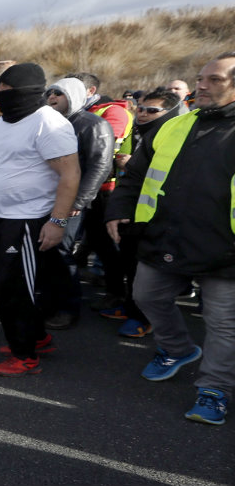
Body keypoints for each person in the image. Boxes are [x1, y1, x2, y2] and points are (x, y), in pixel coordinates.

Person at [105, 52, 235, 425]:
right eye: (200, 78)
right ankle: (177, 349)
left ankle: (214, 391)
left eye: (214, 80)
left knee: (223, 323)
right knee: (146, 296)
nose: (202, 85)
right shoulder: (176, 125)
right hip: (165, 236)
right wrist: (118, 210)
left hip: (226, 249)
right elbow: (135, 174)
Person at [0, 63, 79, 377]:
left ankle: (25, 355)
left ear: (28, 93)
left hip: (27, 219)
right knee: (1, 286)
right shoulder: (1, 124)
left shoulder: (49, 122)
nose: (0, 98)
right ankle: (37, 338)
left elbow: (70, 175)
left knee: (18, 288)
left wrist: (57, 223)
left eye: (7, 93)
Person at [105, 87, 181, 338]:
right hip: (135, 214)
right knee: (129, 265)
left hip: (160, 220)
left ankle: (143, 318)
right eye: (141, 109)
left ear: (170, 112)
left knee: (147, 275)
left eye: (152, 110)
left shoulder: (176, 136)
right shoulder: (142, 133)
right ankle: (130, 307)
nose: (144, 114)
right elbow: (133, 178)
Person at [42, 77, 114, 330]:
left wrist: (79, 200)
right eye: (50, 93)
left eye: (58, 94)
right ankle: (49, 301)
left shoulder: (92, 124)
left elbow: (100, 166)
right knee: (45, 251)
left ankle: (67, 308)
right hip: (46, 198)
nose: (52, 97)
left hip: (71, 202)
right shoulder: (50, 124)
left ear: (73, 96)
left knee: (61, 251)